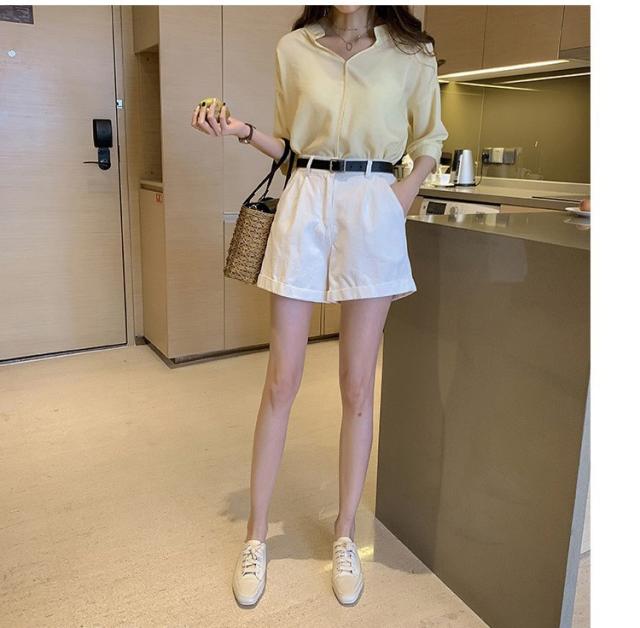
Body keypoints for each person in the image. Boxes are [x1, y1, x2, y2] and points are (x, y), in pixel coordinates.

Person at [191, 4, 448, 608]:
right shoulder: (295, 48)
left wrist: (401, 196)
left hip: (373, 203)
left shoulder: (411, 53)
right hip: (305, 200)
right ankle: (256, 534)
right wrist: (242, 130)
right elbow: (289, 147)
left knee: (358, 385)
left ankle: (345, 533)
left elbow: (430, 139)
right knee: (281, 380)